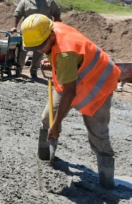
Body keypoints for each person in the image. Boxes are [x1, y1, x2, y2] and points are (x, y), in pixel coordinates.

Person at [21, 14, 120, 188]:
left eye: (41, 46)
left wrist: (57, 124)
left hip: (99, 84)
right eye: (34, 47)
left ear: (51, 35)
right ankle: (45, 156)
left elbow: (69, 92)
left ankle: (107, 183)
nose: (38, 50)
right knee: (47, 118)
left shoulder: (65, 53)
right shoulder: (51, 29)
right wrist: (52, 61)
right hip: (75, 78)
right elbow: (63, 60)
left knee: (98, 134)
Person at [11, 0, 61, 80]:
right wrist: (14, 26)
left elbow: (57, 12)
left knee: (40, 51)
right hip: (28, 31)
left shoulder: (49, 0)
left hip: (44, 31)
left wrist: (57, 25)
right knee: (22, 50)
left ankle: (33, 71)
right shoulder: (26, 1)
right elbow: (18, 13)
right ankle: (18, 70)